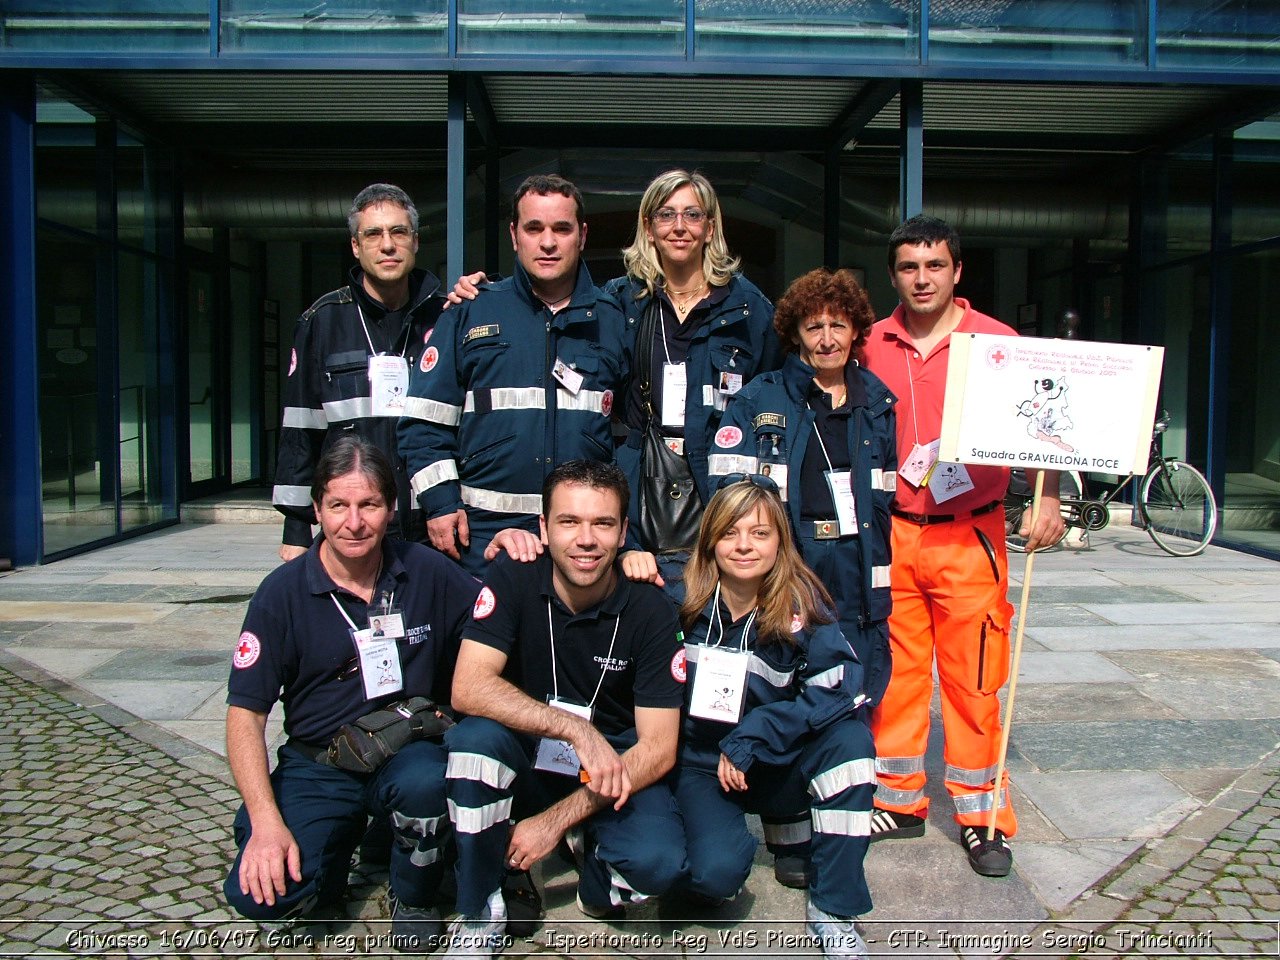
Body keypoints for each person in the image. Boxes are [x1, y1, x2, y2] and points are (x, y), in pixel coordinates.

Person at [861, 215, 1064, 878]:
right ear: (894, 275)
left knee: (974, 680)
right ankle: (898, 800)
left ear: (957, 272)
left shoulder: (998, 342)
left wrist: (1049, 494)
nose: (923, 278)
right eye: (910, 267)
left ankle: (981, 817)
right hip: (892, 530)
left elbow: (1043, 424)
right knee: (896, 677)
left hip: (969, 532)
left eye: (935, 266)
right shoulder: (871, 344)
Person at [224, 436, 480, 944]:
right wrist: (265, 820)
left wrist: (516, 556)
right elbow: (244, 717)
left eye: (369, 505)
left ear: (391, 510)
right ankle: (326, 848)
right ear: (317, 509)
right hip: (319, 762)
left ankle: (413, 893)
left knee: (427, 782)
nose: (354, 521)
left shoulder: (428, 571)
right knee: (261, 897)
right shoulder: (282, 593)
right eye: (338, 505)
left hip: (406, 751)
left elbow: (501, 619)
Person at [440, 461, 685, 958]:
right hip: (535, 754)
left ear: (623, 535)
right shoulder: (514, 575)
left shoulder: (651, 607)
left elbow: (658, 749)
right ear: (543, 529)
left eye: (603, 524)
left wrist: (553, 822)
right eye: (569, 522)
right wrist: (574, 728)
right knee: (473, 743)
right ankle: (479, 908)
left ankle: (587, 855)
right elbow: (467, 687)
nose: (586, 539)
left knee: (659, 865)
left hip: (610, 769)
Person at [673, 475, 875, 959]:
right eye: (730, 533)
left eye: (760, 533)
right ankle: (754, 835)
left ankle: (832, 906)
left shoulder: (802, 599)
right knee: (713, 878)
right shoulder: (676, 595)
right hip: (703, 765)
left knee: (850, 744)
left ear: (781, 541)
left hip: (769, 758)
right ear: (710, 539)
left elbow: (841, 689)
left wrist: (757, 733)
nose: (744, 546)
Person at [397, 175, 627, 576]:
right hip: (483, 538)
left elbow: (630, 438)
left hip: (582, 543)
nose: (548, 242)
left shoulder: (613, 321)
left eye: (562, 228)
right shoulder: (470, 312)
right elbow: (424, 423)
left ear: (583, 235)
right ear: (514, 234)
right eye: (534, 228)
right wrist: (441, 503)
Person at [707, 268, 897, 709]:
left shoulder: (878, 403)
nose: (827, 339)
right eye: (814, 327)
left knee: (855, 678)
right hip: (792, 552)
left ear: (856, 331)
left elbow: (887, 496)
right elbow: (726, 491)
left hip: (856, 559)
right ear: (795, 333)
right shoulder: (759, 398)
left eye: (839, 325)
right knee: (783, 665)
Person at [607, 169, 780, 572]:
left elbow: (774, 392)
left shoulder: (747, 308)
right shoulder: (622, 302)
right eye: (666, 215)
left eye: (692, 215)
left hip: (721, 485)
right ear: (648, 228)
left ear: (710, 227)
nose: (679, 227)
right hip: (639, 477)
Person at [273, 183, 443, 563]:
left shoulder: (447, 318)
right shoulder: (322, 322)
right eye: (373, 234)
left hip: (435, 527)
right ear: (355, 245)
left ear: (415, 241)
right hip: (356, 527)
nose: (387, 245)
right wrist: (296, 528)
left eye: (398, 232)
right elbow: (300, 430)